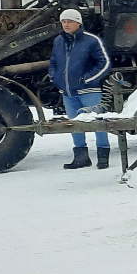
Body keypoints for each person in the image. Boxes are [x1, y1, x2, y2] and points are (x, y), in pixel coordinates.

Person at [48, 9, 112, 169]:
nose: (66, 24)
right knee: (74, 124)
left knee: (98, 122)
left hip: (89, 91)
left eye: (69, 21)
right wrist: (54, 78)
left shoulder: (92, 41)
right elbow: (53, 62)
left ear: (78, 23)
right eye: (63, 21)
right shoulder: (58, 41)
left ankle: (103, 156)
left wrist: (87, 80)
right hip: (68, 93)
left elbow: (104, 63)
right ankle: (81, 157)